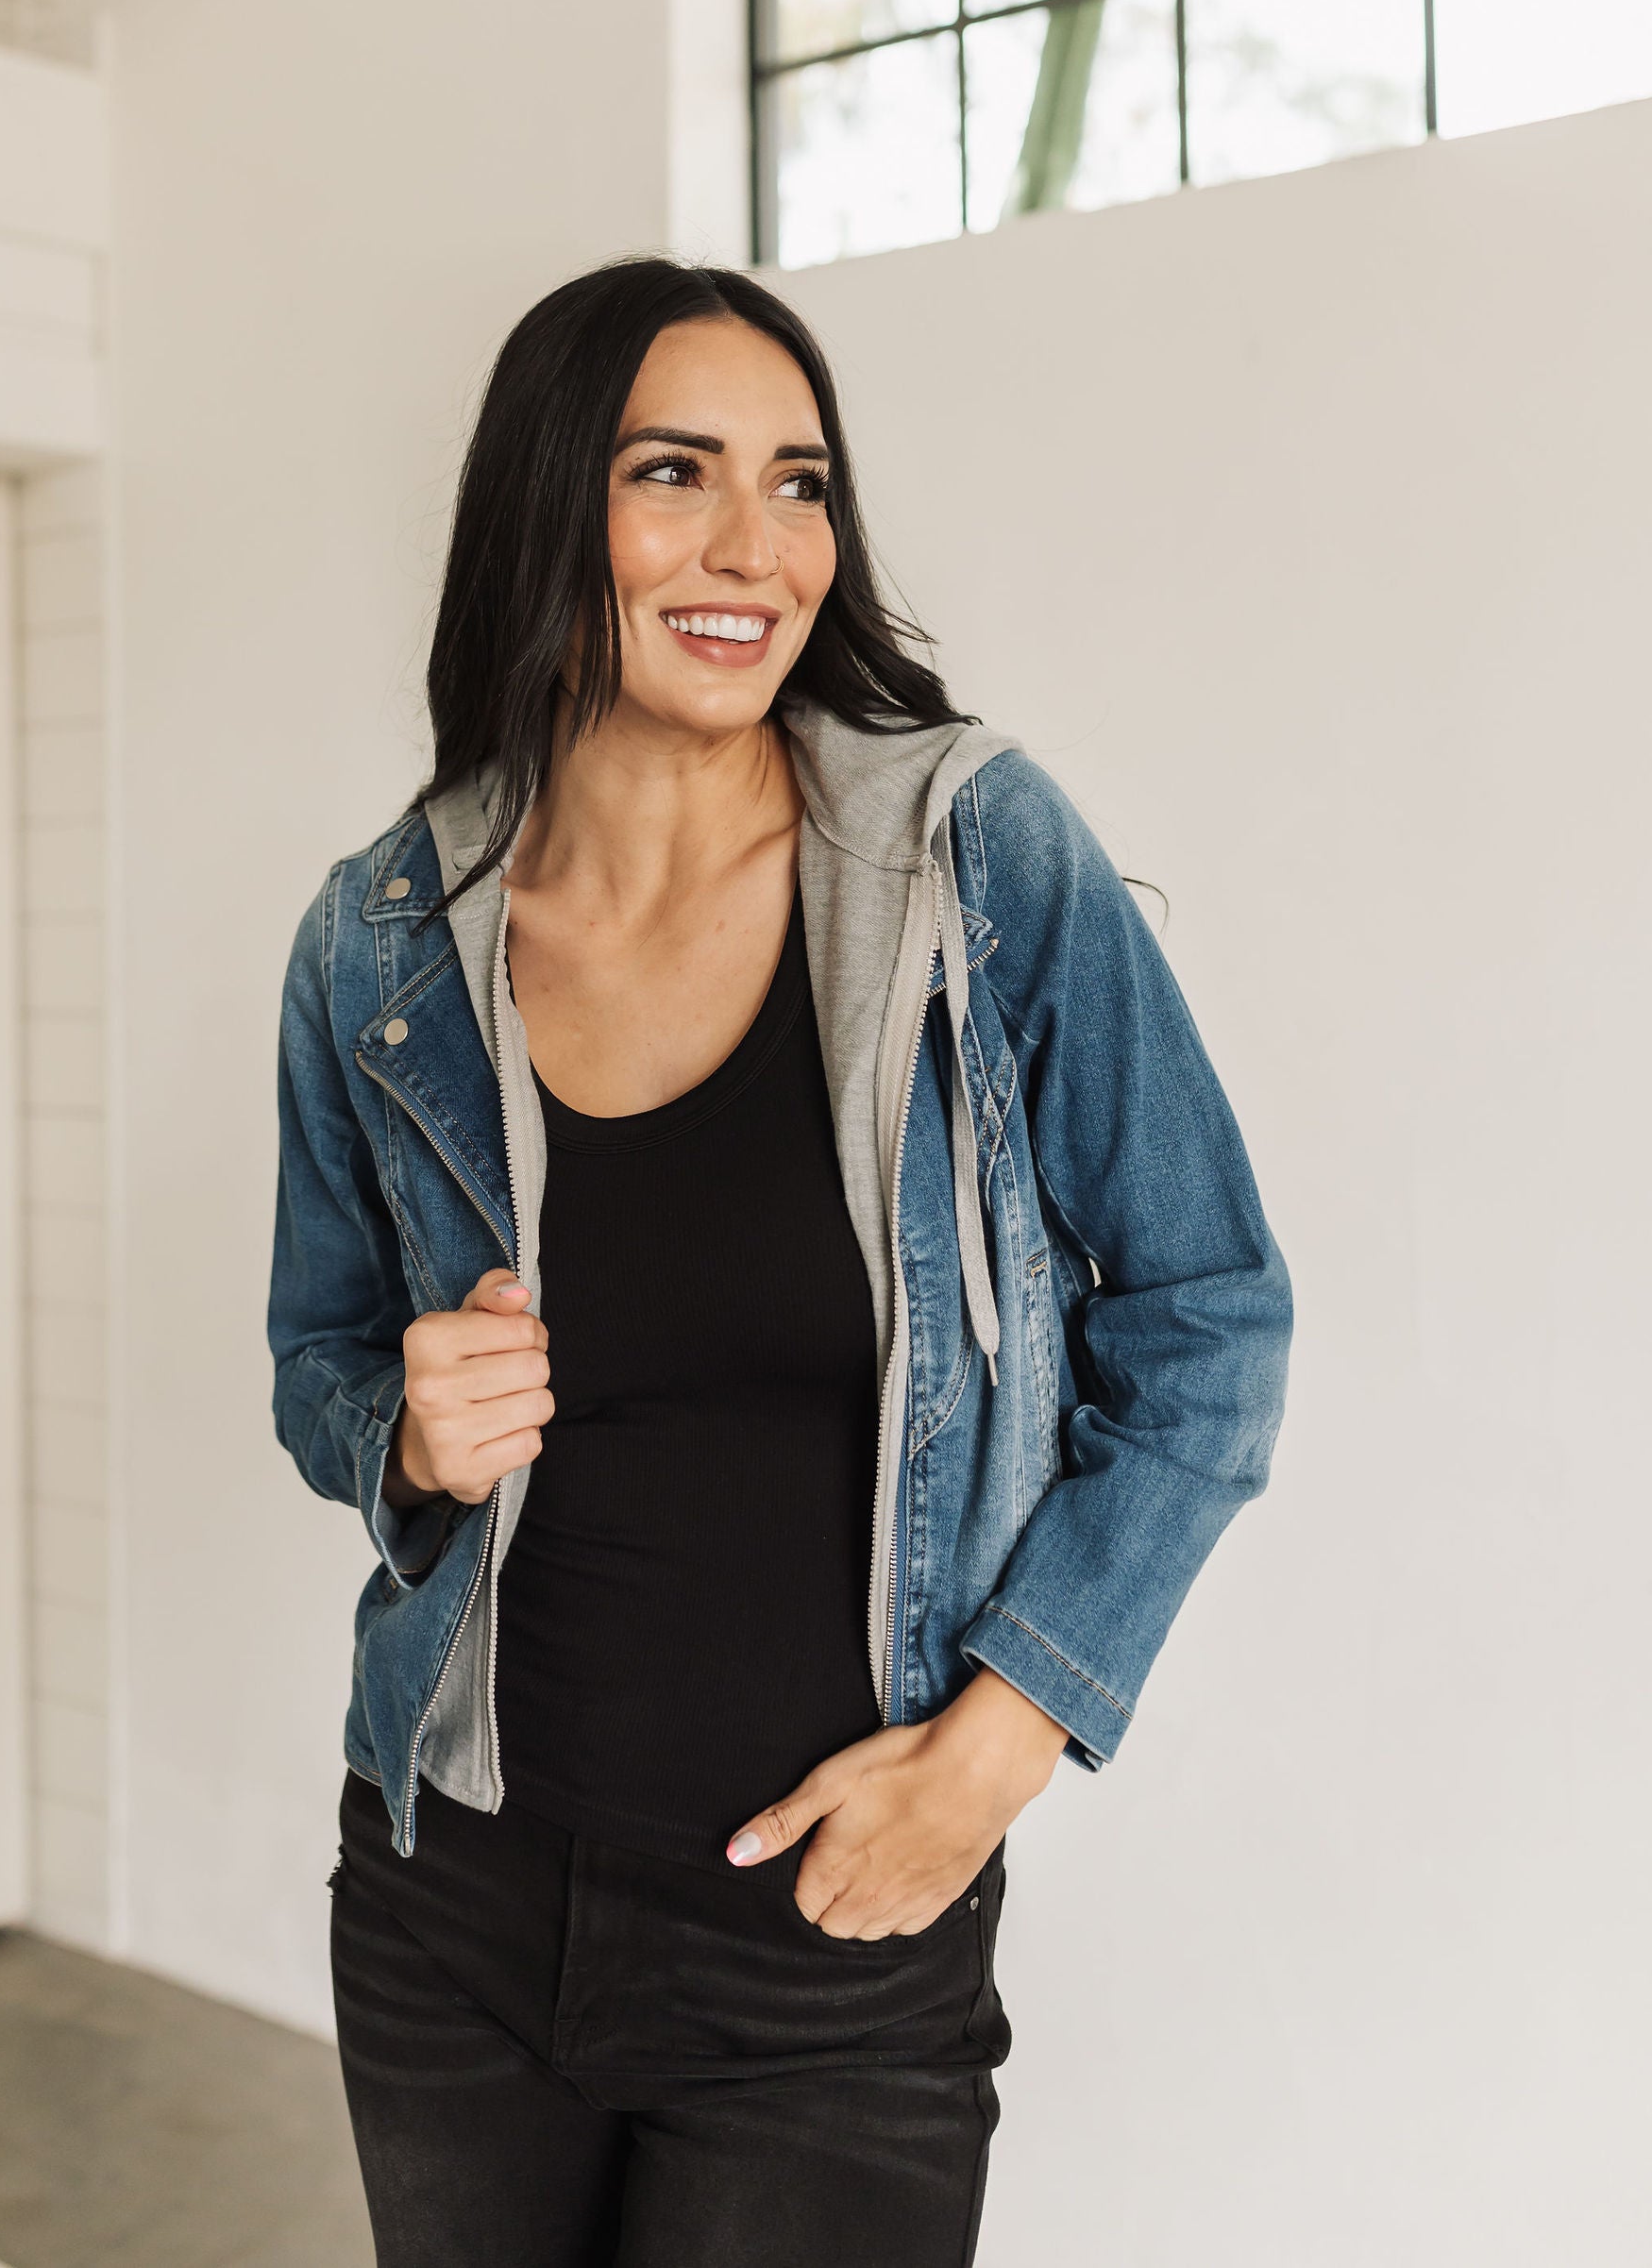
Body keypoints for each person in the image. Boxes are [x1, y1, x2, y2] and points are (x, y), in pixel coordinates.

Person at [268, 258, 1291, 2268]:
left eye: (800, 483)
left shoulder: (968, 858)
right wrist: (403, 1430)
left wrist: (1001, 1747)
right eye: (676, 474)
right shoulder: (380, 933)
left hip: (829, 1946)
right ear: (552, 509)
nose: (756, 547)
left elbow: (1208, 1315)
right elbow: (315, 1361)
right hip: (447, 1908)